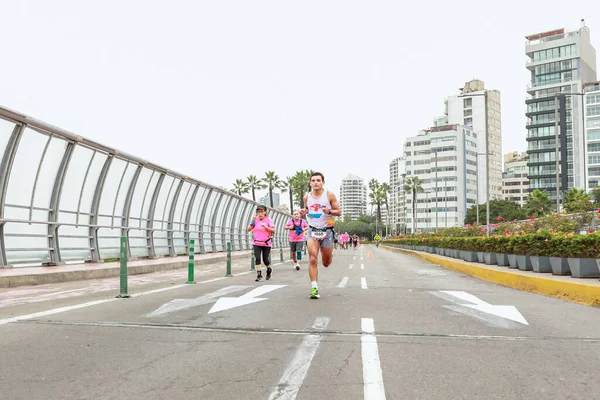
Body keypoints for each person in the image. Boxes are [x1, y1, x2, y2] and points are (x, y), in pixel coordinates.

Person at [299, 172, 341, 299]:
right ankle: (314, 287)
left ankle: (327, 252)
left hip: (327, 230)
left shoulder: (329, 195)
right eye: (313, 180)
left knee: (326, 263)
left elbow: (338, 212)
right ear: (310, 183)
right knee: (312, 258)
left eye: (318, 180)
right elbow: (307, 209)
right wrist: (304, 211)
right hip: (312, 230)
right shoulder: (307, 197)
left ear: (323, 182)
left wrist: (330, 211)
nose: (316, 182)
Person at [247, 205, 275, 282]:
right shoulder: (255, 220)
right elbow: (249, 229)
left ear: (265, 212)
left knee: (265, 259)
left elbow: (273, 230)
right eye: (258, 212)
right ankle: (259, 275)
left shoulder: (268, 220)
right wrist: (252, 222)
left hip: (266, 243)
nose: (260, 213)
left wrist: (266, 227)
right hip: (256, 243)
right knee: (257, 258)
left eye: (262, 212)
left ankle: (269, 269)